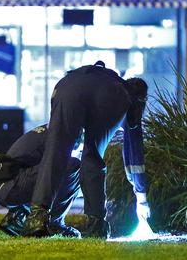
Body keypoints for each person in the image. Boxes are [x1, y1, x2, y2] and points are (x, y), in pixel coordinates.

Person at [21, 61, 150, 238]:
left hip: (64, 87)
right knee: (93, 156)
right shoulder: (124, 96)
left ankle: (37, 218)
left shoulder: (105, 78)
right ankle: (96, 224)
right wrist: (142, 197)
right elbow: (133, 153)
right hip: (105, 96)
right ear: (140, 100)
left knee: (55, 152)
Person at [0, 124, 82, 238]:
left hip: (5, 186)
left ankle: (18, 216)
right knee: (73, 166)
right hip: (12, 185)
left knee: (55, 171)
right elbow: (53, 173)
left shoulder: (51, 129)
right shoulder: (62, 133)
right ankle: (55, 223)